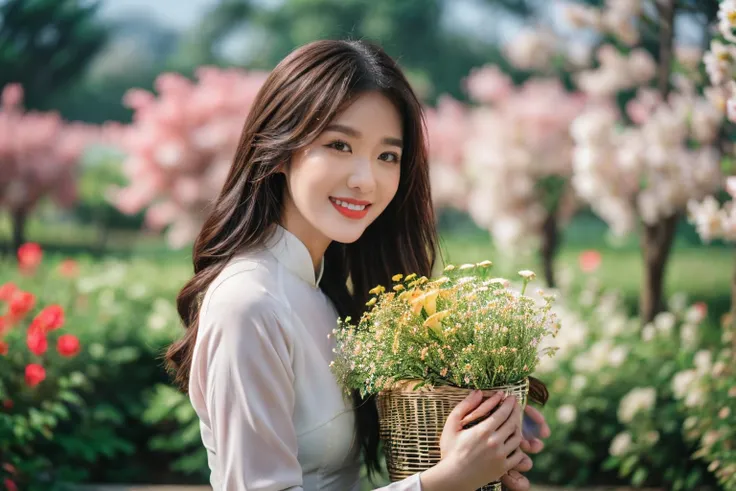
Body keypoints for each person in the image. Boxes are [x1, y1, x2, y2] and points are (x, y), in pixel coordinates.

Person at [165, 39, 550, 491]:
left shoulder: (324, 293)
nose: (365, 179)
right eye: (339, 145)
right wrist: (445, 482)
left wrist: (479, 427)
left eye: (388, 155)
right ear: (281, 148)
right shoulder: (249, 305)